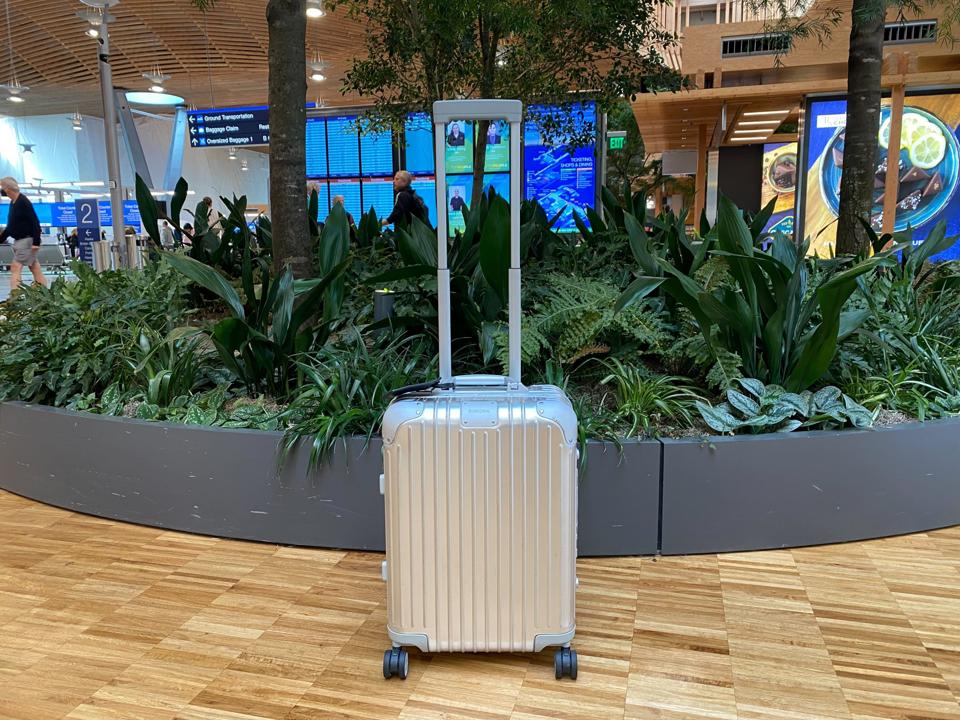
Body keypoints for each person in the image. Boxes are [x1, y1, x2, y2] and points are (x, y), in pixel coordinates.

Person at [0, 177, 46, 291]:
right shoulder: (13, 203)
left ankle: (15, 297)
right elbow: (11, 226)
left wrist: (36, 242)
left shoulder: (23, 202)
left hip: (26, 240)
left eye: (2, 187)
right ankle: (44, 292)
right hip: (20, 241)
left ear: (7, 189)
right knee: (34, 267)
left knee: (15, 267)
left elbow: (35, 222)